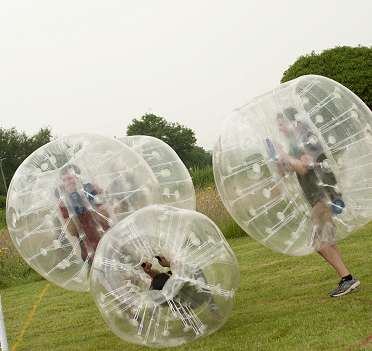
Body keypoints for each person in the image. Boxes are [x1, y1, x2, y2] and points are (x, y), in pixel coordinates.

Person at [276, 107, 360, 297]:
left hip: (324, 196)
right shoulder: (295, 145)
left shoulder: (307, 138)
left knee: (317, 242)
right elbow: (289, 170)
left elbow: (304, 167)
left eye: (282, 124)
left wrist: (286, 156)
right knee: (327, 240)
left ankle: (348, 279)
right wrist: (280, 161)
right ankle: (347, 279)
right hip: (318, 197)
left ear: (293, 122)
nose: (280, 128)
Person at [56, 164, 111, 263]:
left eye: (70, 178)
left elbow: (106, 216)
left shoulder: (92, 190)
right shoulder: (64, 202)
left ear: (78, 177)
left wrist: (87, 202)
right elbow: (72, 231)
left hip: (107, 243)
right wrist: (70, 210)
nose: (67, 183)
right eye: (64, 180)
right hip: (89, 251)